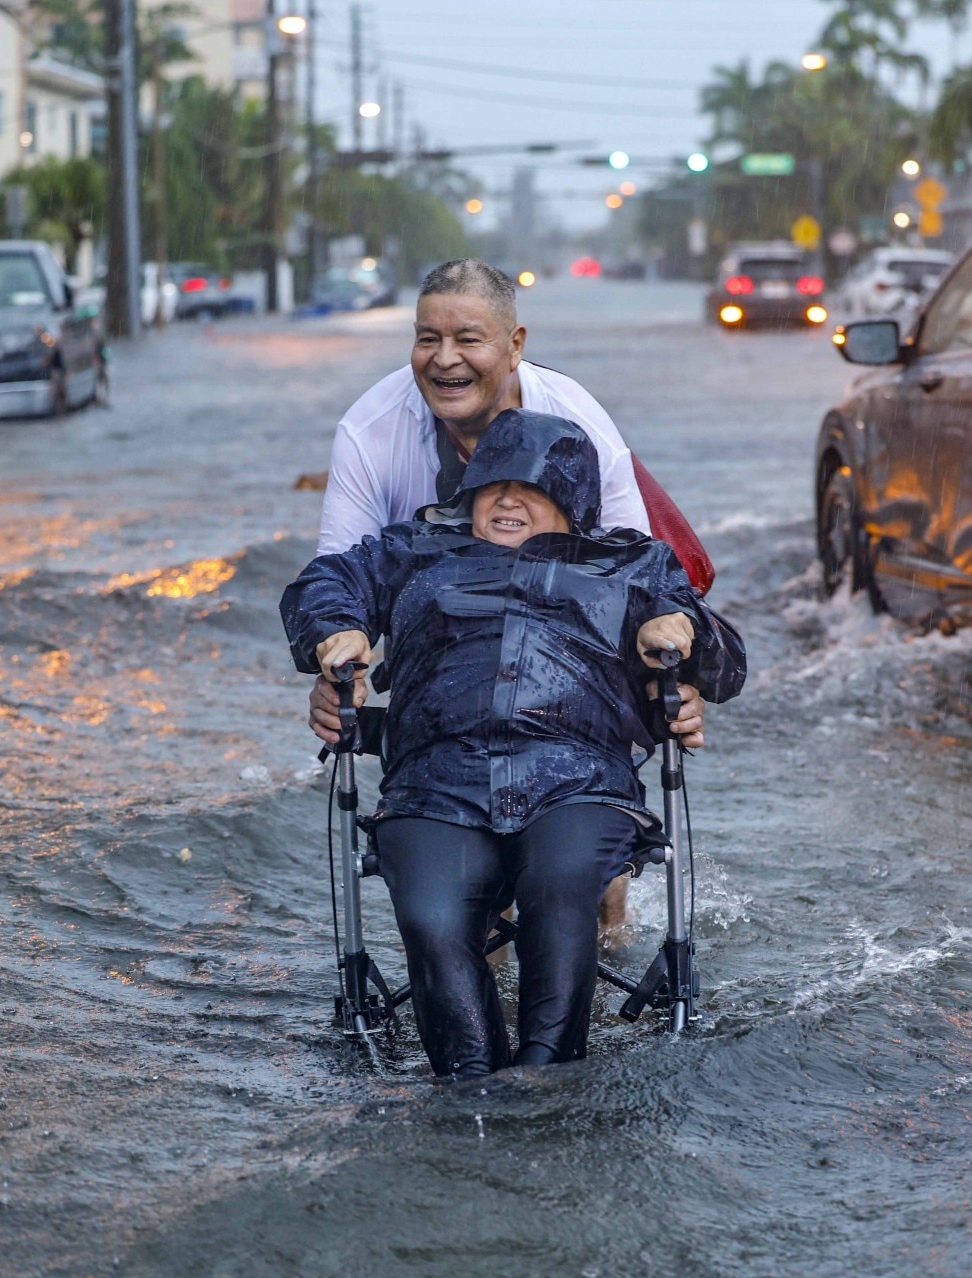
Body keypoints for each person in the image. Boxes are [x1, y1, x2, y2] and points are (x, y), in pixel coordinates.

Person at [281, 410, 746, 1076]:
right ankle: (470, 1086)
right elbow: (325, 582)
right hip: (434, 782)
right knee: (433, 917)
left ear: (574, 502)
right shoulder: (413, 551)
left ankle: (545, 1079)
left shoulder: (633, 565)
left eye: (532, 488)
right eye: (493, 485)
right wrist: (335, 629)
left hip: (579, 781)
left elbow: (728, 668)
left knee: (560, 890)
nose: (507, 500)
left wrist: (681, 628)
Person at [306, 257, 709, 752]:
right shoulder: (369, 431)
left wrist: (667, 678)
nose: (444, 359)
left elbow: (635, 574)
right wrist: (337, 653)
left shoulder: (577, 422)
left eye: (468, 340)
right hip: (443, 670)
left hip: (564, 681)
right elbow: (339, 577)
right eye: (428, 339)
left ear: (515, 345)